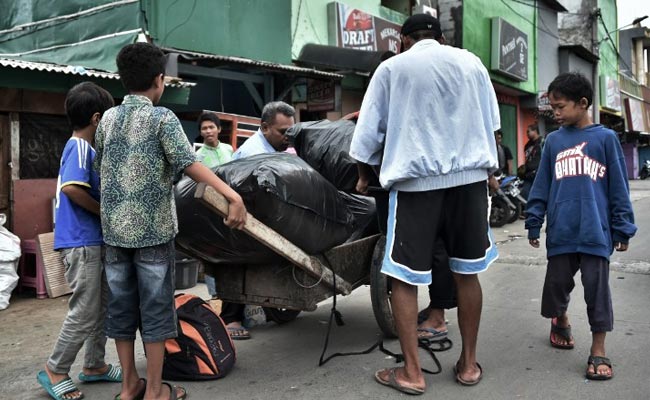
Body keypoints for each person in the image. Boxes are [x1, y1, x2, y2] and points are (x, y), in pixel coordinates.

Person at [350, 14, 500, 394]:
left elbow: (367, 135)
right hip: (469, 182)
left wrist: (365, 175)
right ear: (442, 37)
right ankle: (468, 365)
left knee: (403, 275)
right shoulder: (472, 64)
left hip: (417, 185)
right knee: (467, 272)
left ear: (402, 39)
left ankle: (412, 373)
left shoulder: (392, 68)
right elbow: (491, 123)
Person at [95, 42, 247, 400]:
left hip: (114, 233)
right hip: (152, 233)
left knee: (120, 308)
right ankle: (155, 392)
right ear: (159, 80)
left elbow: (104, 164)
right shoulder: (163, 118)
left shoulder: (106, 118)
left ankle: (130, 385)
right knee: (156, 311)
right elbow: (189, 164)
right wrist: (232, 195)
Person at [525, 72, 636, 381]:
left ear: (583, 104)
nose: (556, 113)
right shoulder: (554, 142)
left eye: (560, 107)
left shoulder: (605, 139)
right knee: (555, 286)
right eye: (553, 108)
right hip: (561, 230)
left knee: (597, 292)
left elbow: (618, 187)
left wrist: (622, 226)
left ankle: (598, 349)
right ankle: (559, 319)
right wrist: (534, 221)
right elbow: (542, 185)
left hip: (596, 232)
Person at [36, 82, 121, 400]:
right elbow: (72, 188)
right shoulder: (80, 146)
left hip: (91, 240)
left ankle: (95, 365)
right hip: (81, 241)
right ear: (97, 119)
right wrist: (104, 213)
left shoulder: (88, 148)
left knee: (99, 308)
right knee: (84, 309)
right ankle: (55, 368)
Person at [220, 101, 296, 340]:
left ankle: (267, 303)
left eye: (290, 131)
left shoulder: (275, 149)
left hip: (259, 215)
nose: (287, 137)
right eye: (283, 132)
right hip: (242, 217)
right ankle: (230, 317)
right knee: (239, 260)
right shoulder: (254, 153)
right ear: (264, 127)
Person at [194, 111, 234, 301]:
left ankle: (231, 293)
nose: (208, 131)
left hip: (230, 208)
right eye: (204, 128)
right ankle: (214, 294)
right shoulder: (197, 157)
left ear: (219, 129)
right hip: (209, 212)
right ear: (201, 132)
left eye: (211, 127)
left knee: (232, 251)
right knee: (211, 254)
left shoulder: (228, 149)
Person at [519, 124, 543, 199]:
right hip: (529, 174)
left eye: (528, 131)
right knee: (525, 194)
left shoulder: (542, 142)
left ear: (535, 131)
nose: (527, 134)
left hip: (540, 173)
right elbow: (527, 158)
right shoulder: (528, 145)